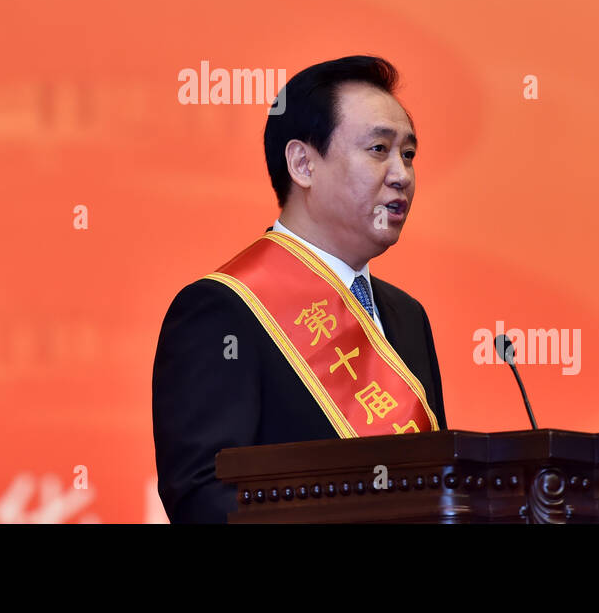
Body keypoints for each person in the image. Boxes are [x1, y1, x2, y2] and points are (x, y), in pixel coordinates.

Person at [151, 55, 449, 523]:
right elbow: (202, 498)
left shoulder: (408, 317)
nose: (402, 175)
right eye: (379, 149)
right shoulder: (223, 309)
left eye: (408, 154)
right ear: (303, 163)